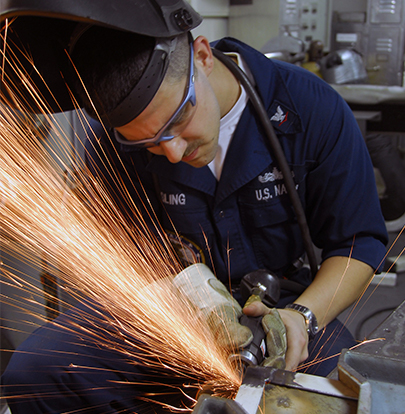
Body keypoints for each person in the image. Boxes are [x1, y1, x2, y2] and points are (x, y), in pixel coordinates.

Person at [1, 1, 388, 412]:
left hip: (285, 308)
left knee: (332, 392)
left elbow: (357, 243)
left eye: (178, 122)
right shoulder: (110, 143)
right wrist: (182, 302)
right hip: (173, 307)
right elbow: (117, 255)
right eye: (147, 142)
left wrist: (301, 317)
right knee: (38, 371)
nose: (171, 151)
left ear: (203, 56)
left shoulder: (310, 107)